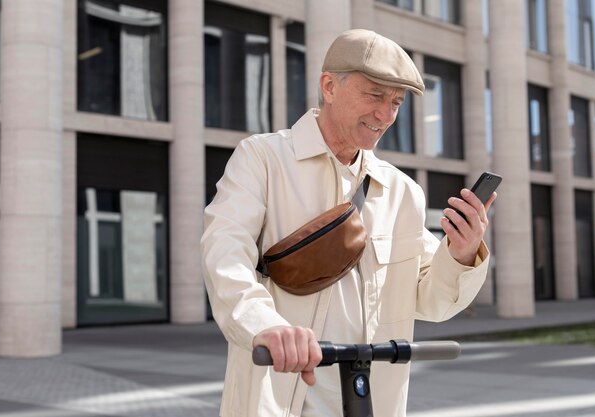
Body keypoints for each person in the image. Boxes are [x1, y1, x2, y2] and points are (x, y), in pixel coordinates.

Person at [201, 29, 496, 417]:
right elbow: (225, 252)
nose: (385, 115)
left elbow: (430, 299)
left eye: (396, 102)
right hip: (279, 397)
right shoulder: (263, 159)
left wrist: (461, 254)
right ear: (329, 86)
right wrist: (265, 326)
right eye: (375, 95)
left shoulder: (402, 192)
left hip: (374, 403)